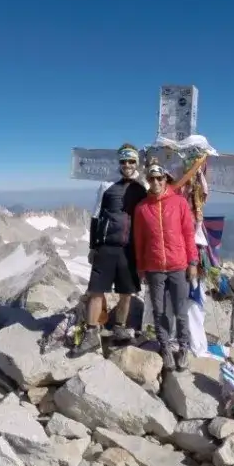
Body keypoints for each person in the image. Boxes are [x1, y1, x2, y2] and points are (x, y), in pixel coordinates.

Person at [76, 143, 148, 356]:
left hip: (130, 248)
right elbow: (96, 215)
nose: (127, 164)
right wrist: (92, 246)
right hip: (106, 246)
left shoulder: (142, 185)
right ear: (119, 163)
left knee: (126, 293)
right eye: (124, 161)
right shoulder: (106, 185)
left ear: (137, 162)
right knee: (96, 290)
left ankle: (119, 329)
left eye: (131, 161)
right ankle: (91, 334)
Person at [133, 160, 199, 372]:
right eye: (151, 178)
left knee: (181, 311)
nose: (155, 182)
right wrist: (141, 268)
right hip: (154, 268)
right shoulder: (142, 208)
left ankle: (183, 348)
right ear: (147, 180)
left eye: (159, 178)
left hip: (178, 265)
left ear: (165, 179)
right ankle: (166, 348)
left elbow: (189, 234)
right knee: (159, 311)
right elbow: (139, 240)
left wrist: (193, 262)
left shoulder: (179, 202)